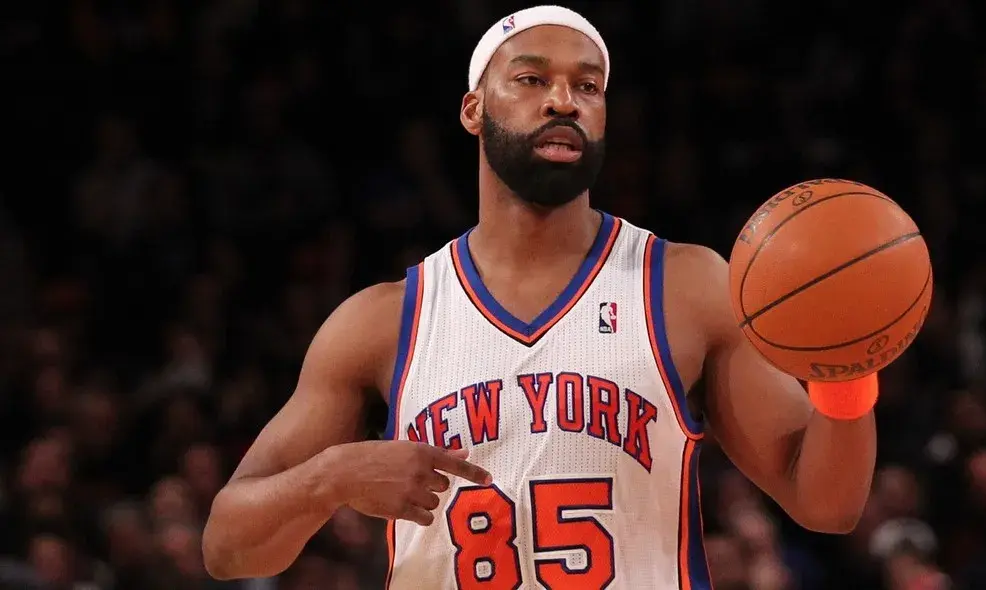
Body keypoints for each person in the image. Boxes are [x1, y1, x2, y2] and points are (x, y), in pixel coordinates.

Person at [202, 5, 879, 588]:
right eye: (531, 79)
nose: (564, 100)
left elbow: (825, 503)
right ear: (473, 108)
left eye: (587, 85)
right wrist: (333, 476)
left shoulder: (685, 285)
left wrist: (848, 373)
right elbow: (226, 545)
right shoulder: (383, 321)